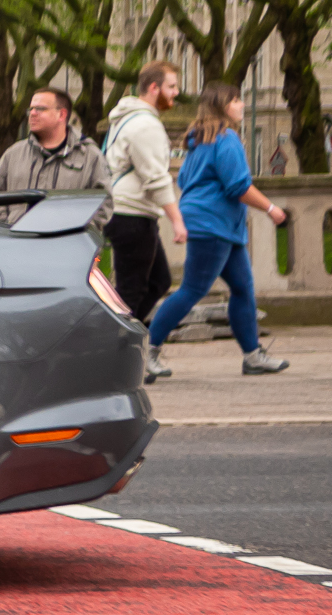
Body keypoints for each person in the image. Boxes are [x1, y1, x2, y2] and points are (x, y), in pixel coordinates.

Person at [146, 82, 289, 378]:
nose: (241, 105)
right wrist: (271, 209)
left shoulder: (199, 142)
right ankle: (147, 352)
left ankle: (253, 356)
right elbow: (239, 186)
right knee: (192, 289)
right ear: (223, 106)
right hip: (213, 225)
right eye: (236, 100)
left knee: (242, 288)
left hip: (218, 225)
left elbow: (184, 180)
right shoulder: (226, 138)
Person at [103, 61, 188, 378]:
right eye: (171, 87)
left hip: (129, 213)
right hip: (132, 214)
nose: (176, 94)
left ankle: (123, 350)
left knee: (158, 281)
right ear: (154, 88)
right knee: (131, 291)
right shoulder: (146, 126)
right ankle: (117, 360)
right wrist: (178, 221)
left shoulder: (128, 119)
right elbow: (156, 178)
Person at [0, 87, 110, 224]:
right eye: (30, 109)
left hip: (67, 244)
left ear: (61, 114)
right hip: (18, 242)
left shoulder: (89, 156)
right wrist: (6, 227)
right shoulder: (13, 154)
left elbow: (105, 202)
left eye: (40, 109)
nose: (32, 113)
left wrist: (79, 233)